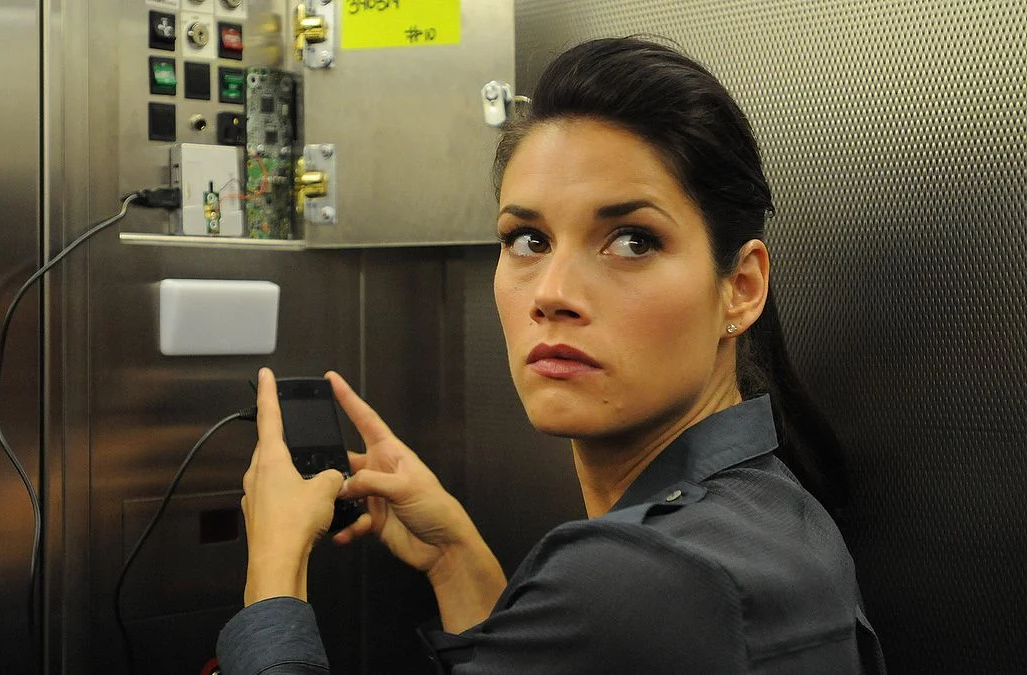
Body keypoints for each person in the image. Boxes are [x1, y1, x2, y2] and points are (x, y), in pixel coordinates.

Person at [217, 37, 886, 674]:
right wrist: (455, 558)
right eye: (528, 240)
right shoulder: (769, 512)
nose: (552, 294)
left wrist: (274, 571)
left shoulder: (645, 574)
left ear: (741, 288)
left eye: (632, 241)